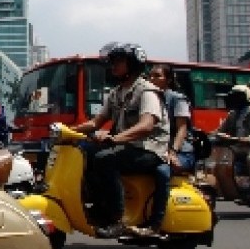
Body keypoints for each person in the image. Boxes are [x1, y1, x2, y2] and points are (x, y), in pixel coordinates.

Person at [70, 42, 169, 238]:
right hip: (128, 146)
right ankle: (98, 206)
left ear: (132, 64)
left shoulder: (147, 91)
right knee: (84, 152)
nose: (113, 65)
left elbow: (146, 125)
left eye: (118, 61)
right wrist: (66, 132)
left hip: (149, 149)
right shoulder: (116, 93)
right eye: (112, 61)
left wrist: (115, 139)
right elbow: (96, 122)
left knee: (105, 158)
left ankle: (117, 218)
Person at [145, 63, 197, 231]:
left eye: (157, 76)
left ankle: (155, 223)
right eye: (150, 75)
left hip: (180, 151)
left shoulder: (176, 98)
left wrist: (173, 152)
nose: (152, 79)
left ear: (168, 79)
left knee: (162, 171)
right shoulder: (147, 99)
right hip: (157, 149)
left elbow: (182, 129)